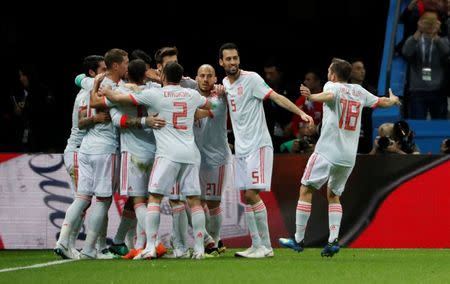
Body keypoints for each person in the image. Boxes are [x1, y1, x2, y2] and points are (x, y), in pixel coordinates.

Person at [279, 58, 401, 257]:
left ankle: (298, 239)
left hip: (327, 151)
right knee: (334, 195)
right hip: (348, 156)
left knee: (306, 189)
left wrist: (312, 96)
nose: (328, 74)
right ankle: (333, 241)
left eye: (329, 71)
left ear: (333, 75)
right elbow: (382, 102)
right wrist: (394, 100)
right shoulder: (360, 91)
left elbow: (328, 95)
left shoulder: (332, 86)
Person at [101, 62, 211, 259]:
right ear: (181, 77)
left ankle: (151, 246)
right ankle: (200, 249)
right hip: (191, 154)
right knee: (194, 201)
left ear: (162, 77)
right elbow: (210, 105)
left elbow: (117, 98)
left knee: (154, 198)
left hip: (167, 154)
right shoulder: (192, 94)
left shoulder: (156, 95)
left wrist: (106, 89)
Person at [218, 42, 313, 258]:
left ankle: (266, 247)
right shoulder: (224, 82)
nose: (233, 62)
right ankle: (256, 245)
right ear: (221, 62)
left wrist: (300, 113)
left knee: (252, 194)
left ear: (239, 59)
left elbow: (276, 97)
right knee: (246, 196)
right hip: (241, 149)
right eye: (228, 59)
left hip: (258, 145)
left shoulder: (251, 79)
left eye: (235, 58)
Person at [61, 55, 108, 256]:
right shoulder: (85, 95)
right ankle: (66, 244)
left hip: (83, 150)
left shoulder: (93, 88)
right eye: (103, 68)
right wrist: (96, 118)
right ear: (92, 73)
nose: (106, 72)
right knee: (84, 199)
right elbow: (82, 122)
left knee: (90, 199)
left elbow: (78, 78)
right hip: (78, 150)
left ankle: (94, 246)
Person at [194, 64, 232, 254]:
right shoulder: (191, 96)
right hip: (195, 158)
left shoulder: (221, 96)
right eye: (202, 75)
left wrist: (224, 91)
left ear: (215, 78)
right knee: (193, 201)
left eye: (209, 75)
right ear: (197, 78)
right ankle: (206, 240)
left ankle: (215, 242)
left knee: (213, 202)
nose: (206, 79)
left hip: (216, 159)